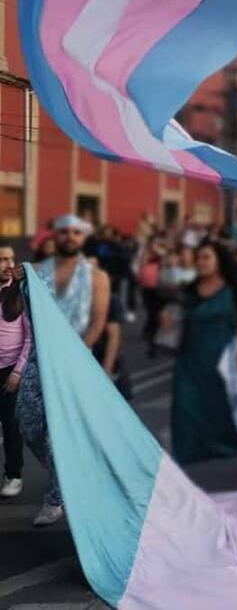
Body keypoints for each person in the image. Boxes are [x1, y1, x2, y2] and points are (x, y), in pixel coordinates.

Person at [15, 214, 111, 527]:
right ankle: (72, 474)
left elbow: (97, 322)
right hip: (37, 361)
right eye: (64, 231)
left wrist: (80, 354)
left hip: (75, 362)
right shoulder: (36, 272)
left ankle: (56, 497)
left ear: (83, 237)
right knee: (28, 423)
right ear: (55, 236)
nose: (69, 236)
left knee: (61, 432)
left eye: (75, 232)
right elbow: (18, 312)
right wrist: (12, 282)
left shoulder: (97, 276)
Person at [169, 241, 237, 478]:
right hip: (189, 359)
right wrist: (169, 320)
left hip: (224, 360)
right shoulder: (190, 289)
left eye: (206, 257)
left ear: (219, 261)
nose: (201, 262)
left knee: (224, 411)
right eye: (199, 258)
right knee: (184, 409)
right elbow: (178, 317)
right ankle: (180, 462)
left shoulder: (235, 289)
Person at [0, 246, 29, 500]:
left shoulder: (22, 292)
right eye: (2, 259)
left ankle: (13, 475)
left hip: (9, 370)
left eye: (10, 258)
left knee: (10, 424)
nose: (8, 263)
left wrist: (17, 372)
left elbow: (29, 338)